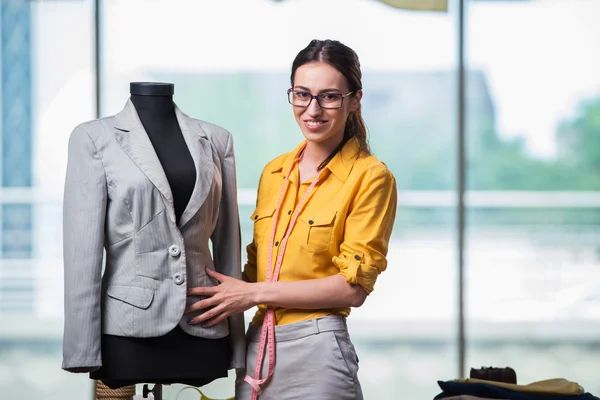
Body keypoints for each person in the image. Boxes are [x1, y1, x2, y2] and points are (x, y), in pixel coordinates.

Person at [186, 39, 398, 399]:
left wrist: (252, 294)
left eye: (329, 96)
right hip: (257, 346)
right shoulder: (275, 172)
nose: (312, 109)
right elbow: (255, 271)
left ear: (355, 100)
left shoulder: (371, 177)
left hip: (318, 351)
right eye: (302, 94)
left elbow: (353, 289)